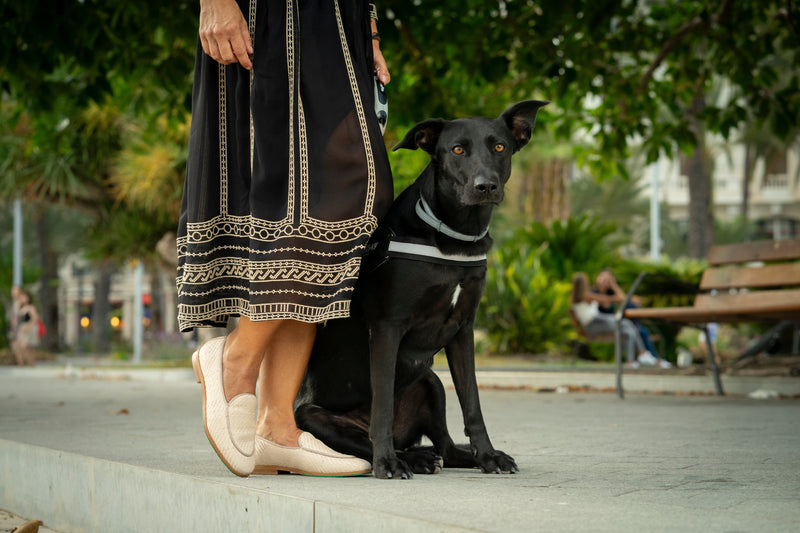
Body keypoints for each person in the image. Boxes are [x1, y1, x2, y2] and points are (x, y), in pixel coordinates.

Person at [177, 0, 394, 477]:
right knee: (315, 195)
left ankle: (276, 424)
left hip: (340, 22)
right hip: (269, 19)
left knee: (311, 207)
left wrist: (370, 29)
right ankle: (234, 362)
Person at [571, 272, 666, 369]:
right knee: (628, 324)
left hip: (594, 322)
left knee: (629, 330)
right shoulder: (587, 295)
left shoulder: (578, 296)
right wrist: (616, 295)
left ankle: (634, 360)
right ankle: (642, 354)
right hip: (594, 323)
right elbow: (606, 299)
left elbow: (605, 301)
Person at [11, 289, 40, 366]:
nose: (23, 299)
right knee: (22, 347)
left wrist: (29, 325)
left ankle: (31, 363)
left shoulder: (31, 307)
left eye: (25, 297)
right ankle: (24, 363)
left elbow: (36, 318)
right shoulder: (20, 308)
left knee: (28, 347)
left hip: (29, 329)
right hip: (22, 329)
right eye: (22, 297)